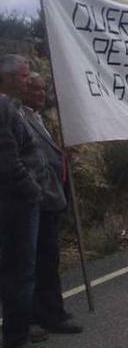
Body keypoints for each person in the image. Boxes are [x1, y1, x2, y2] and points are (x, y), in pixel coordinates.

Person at [20, 74, 82, 335]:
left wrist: (61, 154)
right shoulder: (17, 117)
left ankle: (52, 313)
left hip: (51, 197)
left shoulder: (37, 118)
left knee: (48, 260)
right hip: (32, 199)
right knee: (29, 262)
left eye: (43, 90)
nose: (40, 94)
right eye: (34, 89)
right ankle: (31, 318)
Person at [0, 55, 47, 348]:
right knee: (20, 270)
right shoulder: (4, 107)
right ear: (6, 78)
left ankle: (20, 327)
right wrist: (32, 190)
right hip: (16, 203)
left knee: (18, 268)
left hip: (18, 200)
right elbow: (7, 161)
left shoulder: (12, 106)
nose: (28, 80)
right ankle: (16, 336)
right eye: (23, 75)